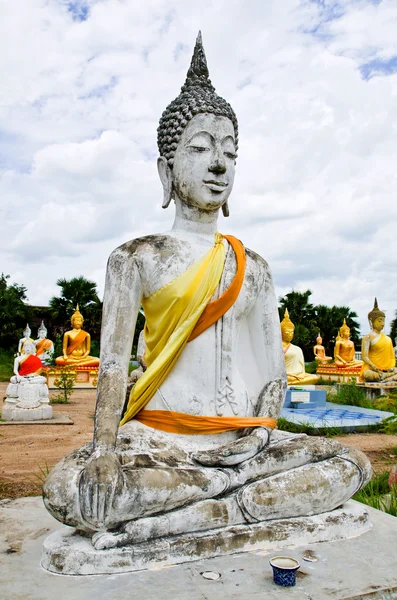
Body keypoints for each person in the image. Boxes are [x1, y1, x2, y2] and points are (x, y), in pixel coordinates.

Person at [43, 33, 371, 552]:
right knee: (67, 490)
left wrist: (260, 435)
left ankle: (214, 505)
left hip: (244, 442)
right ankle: (233, 502)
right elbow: (111, 366)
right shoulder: (137, 257)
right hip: (160, 442)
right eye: (199, 149)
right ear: (166, 169)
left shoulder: (254, 267)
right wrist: (104, 447)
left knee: (353, 463)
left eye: (229, 152)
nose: (218, 164)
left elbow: (271, 374)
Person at [360, 299, 397, 382]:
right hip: (372, 368)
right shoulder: (367, 337)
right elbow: (364, 357)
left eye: (383, 320)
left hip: (387, 369)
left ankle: (386, 376)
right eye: (379, 320)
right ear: (372, 321)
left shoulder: (388, 339)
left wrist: (390, 367)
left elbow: (392, 357)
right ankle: (388, 377)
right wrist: (375, 368)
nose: (382, 323)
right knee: (367, 375)